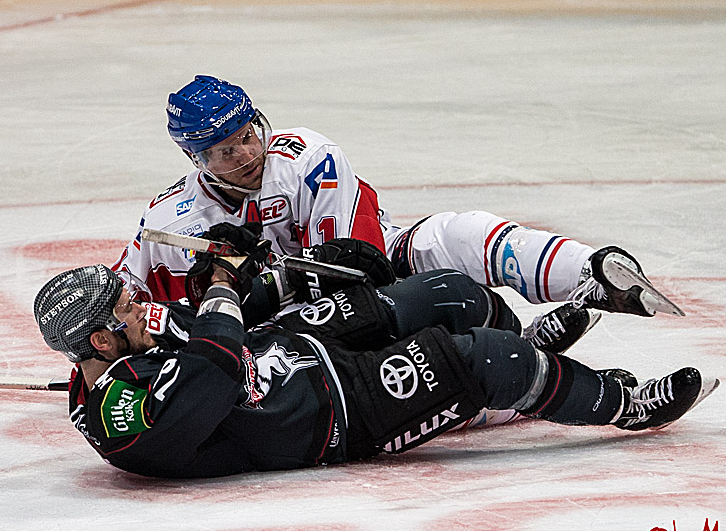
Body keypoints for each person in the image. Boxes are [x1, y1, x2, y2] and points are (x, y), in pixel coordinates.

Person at [111, 75, 677, 357]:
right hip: (287, 340)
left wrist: (271, 271)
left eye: (248, 134)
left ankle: (590, 273)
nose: (247, 154)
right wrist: (101, 347)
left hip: (366, 282)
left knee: (457, 234)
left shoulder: (310, 158)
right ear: (196, 158)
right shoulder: (171, 219)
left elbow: (354, 273)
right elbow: (116, 293)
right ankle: (514, 357)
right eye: (225, 151)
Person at [33, 258, 718, 480]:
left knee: (447, 292)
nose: (141, 302)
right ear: (96, 336)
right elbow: (213, 363)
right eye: (126, 304)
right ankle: (624, 404)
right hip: (339, 412)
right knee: (485, 360)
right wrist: (218, 291)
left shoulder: (121, 345)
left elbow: (204, 322)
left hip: (303, 345)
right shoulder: (119, 414)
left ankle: (538, 346)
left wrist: (260, 282)